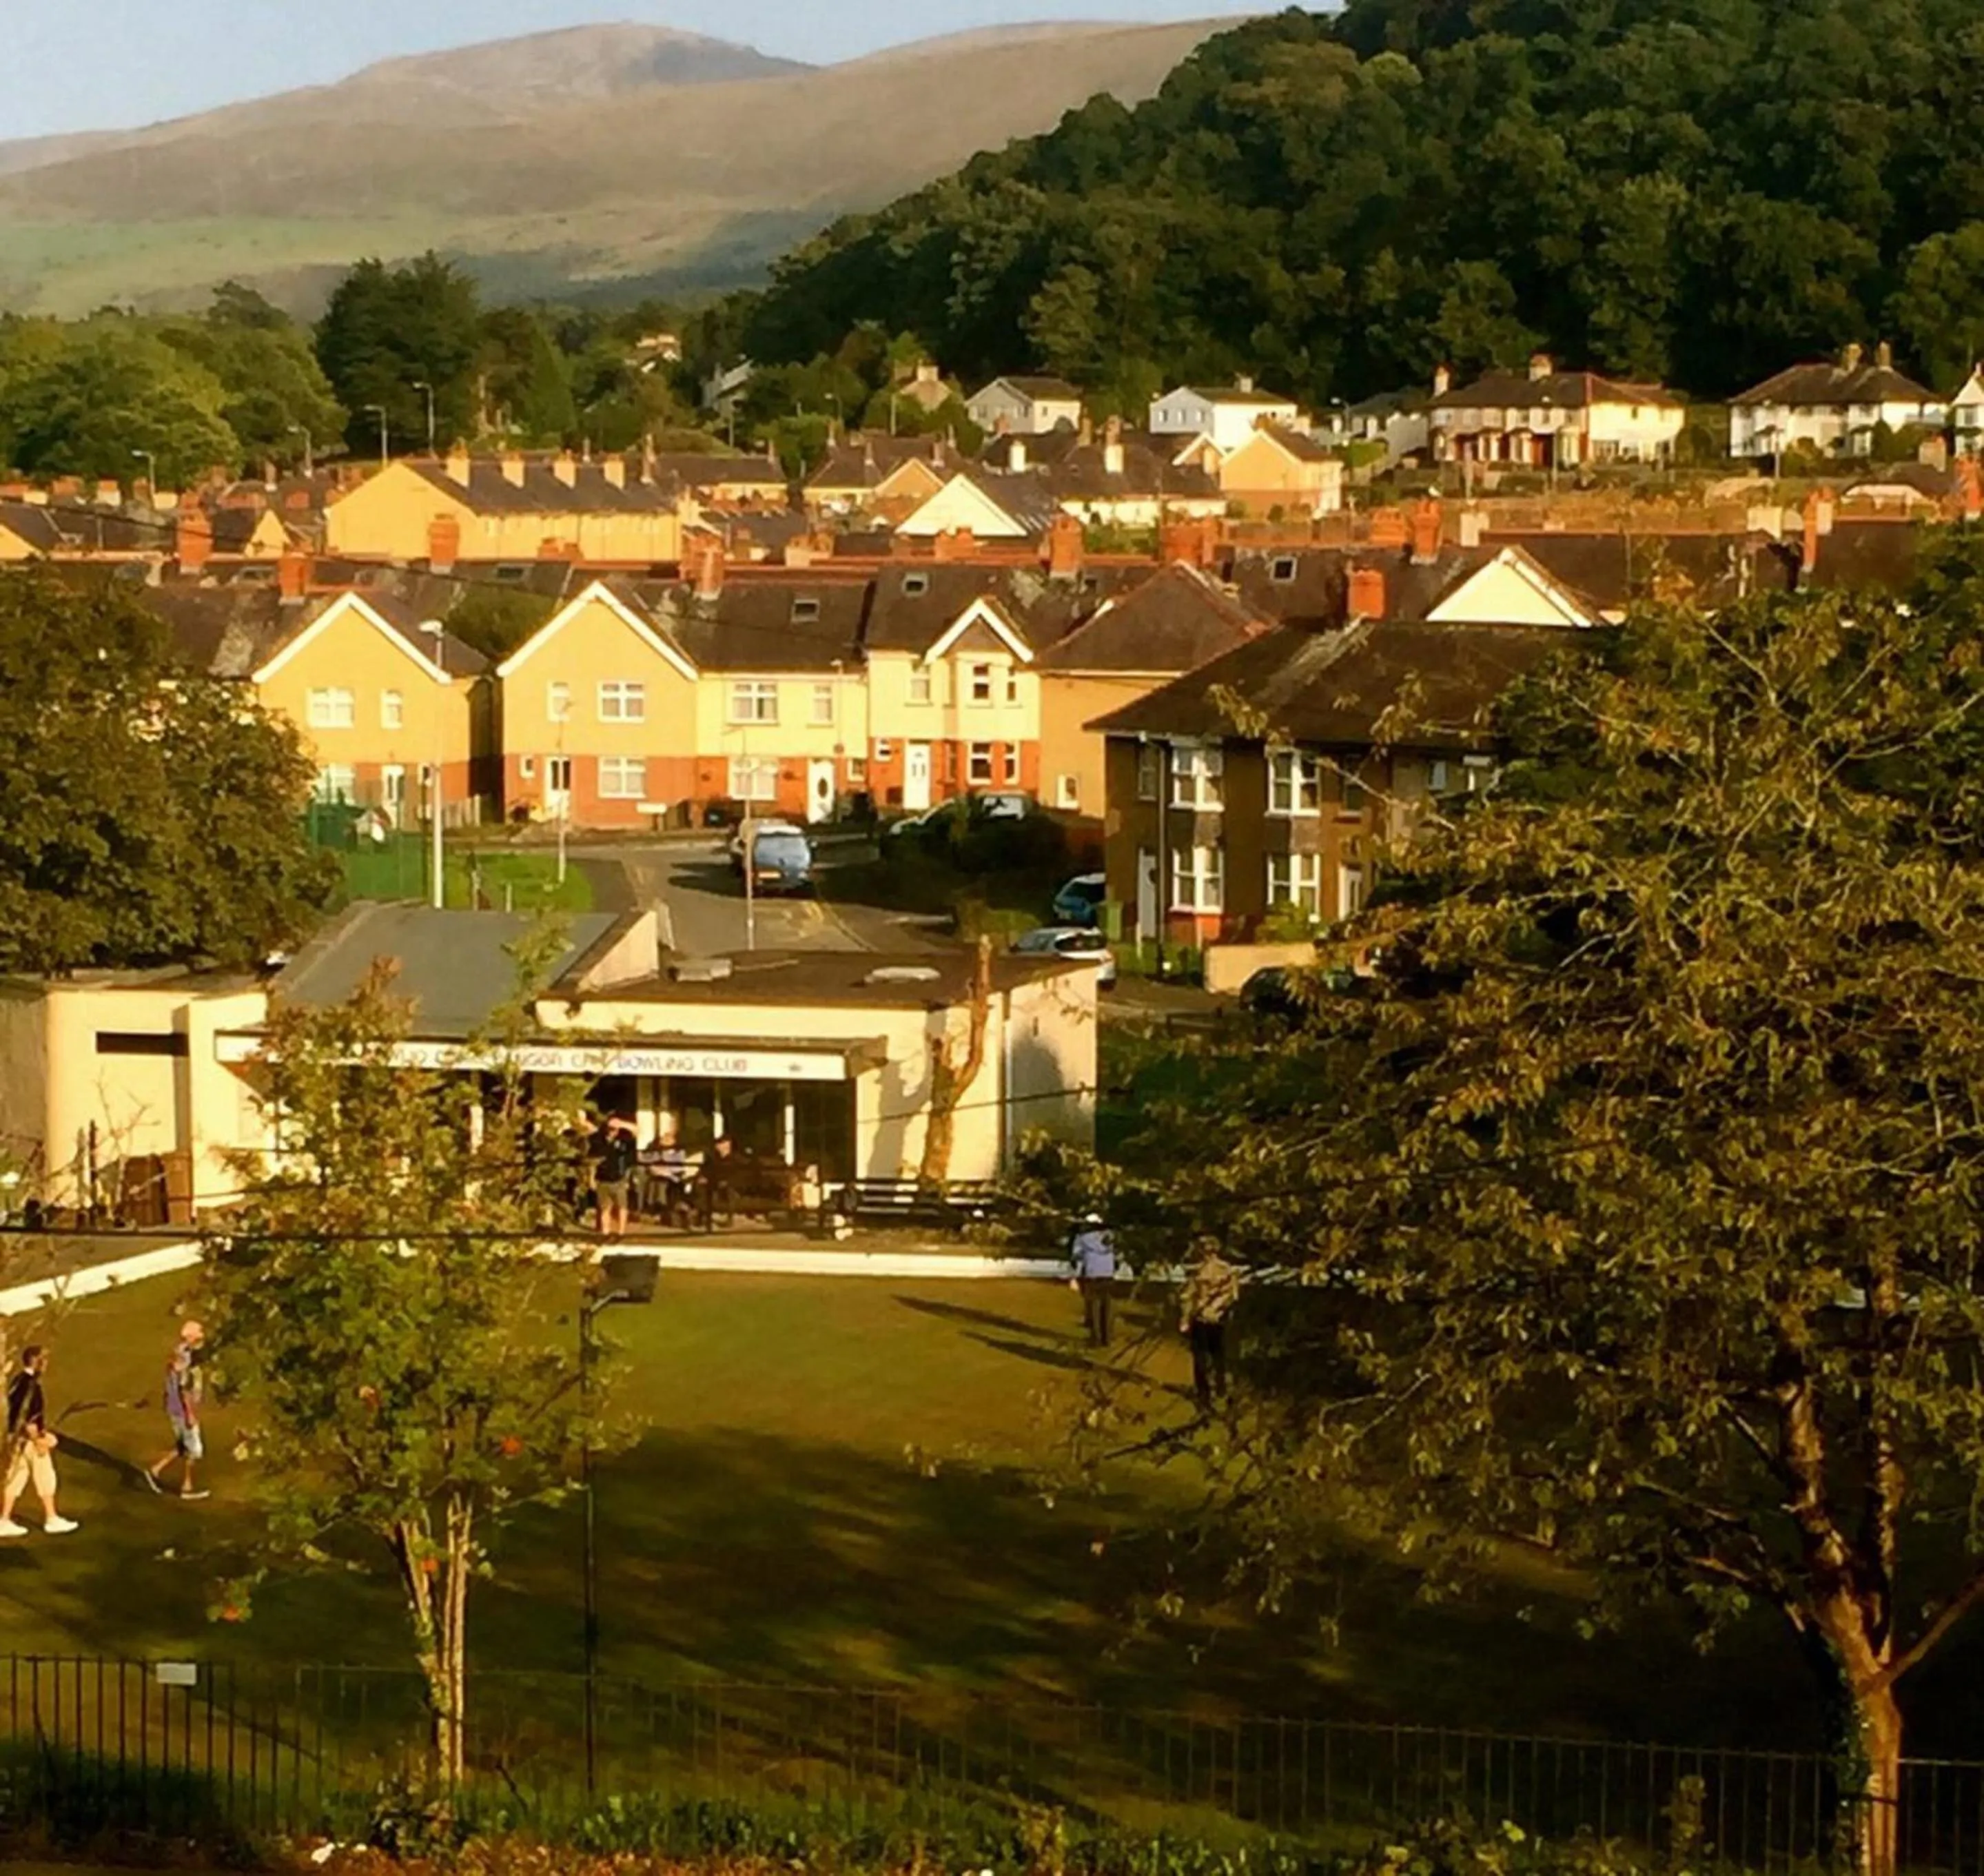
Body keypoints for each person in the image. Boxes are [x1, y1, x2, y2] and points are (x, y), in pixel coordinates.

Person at [0, 1346, 79, 1537]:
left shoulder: (18, 1381)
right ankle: (51, 1518)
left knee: (16, 1478)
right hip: (29, 1440)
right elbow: (28, 1418)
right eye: (44, 1360)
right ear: (37, 1361)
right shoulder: (30, 1387)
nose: (46, 1364)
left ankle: (4, 1520)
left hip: (16, 1439)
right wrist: (38, 1441)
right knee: (46, 1478)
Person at [146, 1321, 209, 1500]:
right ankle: (186, 1487)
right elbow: (185, 1390)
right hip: (183, 1410)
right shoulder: (188, 1363)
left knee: (183, 1445)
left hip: (174, 1408)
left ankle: (156, 1470)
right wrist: (191, 1414)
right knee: (194, 1450)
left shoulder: (177, 1355)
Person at [1180, 1241, 1240, 1412]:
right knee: (1212, 1357)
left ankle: (1210, 1393)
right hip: (1211, 1320)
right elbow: (1233, 1296)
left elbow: (1189, 1297)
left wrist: (1187, 1317)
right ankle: (1214, 1392)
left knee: (1209, 1357)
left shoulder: (1206, 1271)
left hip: (1208, 1320)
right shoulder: (1224, 1270)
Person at [1067, 1213, 1119, 1349]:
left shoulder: (1082, 1239)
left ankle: (1096, 1339)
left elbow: (1078, 1259)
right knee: (1107, 1307)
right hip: (1108, 1275)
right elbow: (1117, 1256)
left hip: (1092, 1275)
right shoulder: (1111, 1237)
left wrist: (1074, 1277)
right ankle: (1107, 1338)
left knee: (1094, 1308)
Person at [594, 1114, 639, 1240]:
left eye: (614, 1128)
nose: (612, 1131)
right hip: (603, 1178)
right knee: (605, 1207)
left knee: (622, 1206)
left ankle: (621, 1232)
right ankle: (606, 1232)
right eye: (610, 1128)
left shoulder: (624, 1141)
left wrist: (622, 1123)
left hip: (619, 1178)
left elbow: (637, 1131)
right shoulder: (599, 1140)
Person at [699, 1136, 737, 1232]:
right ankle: (704, 1217)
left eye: (728, 1145)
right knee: (704, 1189)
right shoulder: (712, 1159)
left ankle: (728, 1217)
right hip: (714, 1183)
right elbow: (706, 1170)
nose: (726, 1147)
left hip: (728, 1184)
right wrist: (703, 1177)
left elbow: (736, 1174)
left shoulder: (734, 1159)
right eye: (723, 1145)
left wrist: (726, 1181)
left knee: (730, 1191)